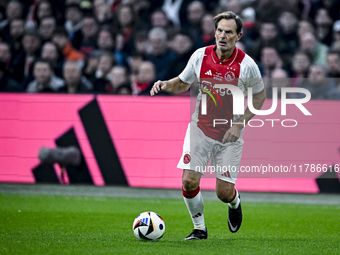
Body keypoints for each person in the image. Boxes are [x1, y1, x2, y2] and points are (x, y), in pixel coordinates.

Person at [150, 11, 265, 240]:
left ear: (238, 35)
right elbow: (182, 83)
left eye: (229, 32)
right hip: (200, 129)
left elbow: (260, 97)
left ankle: (235, 202)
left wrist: (239, 125)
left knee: (223, 193)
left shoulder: (247, 65)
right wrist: (165, 84)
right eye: (219, 30)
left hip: (229, 136)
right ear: (214, 32)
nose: (222, 35)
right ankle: (199, 229)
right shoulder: (200, 56)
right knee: (189, 180)